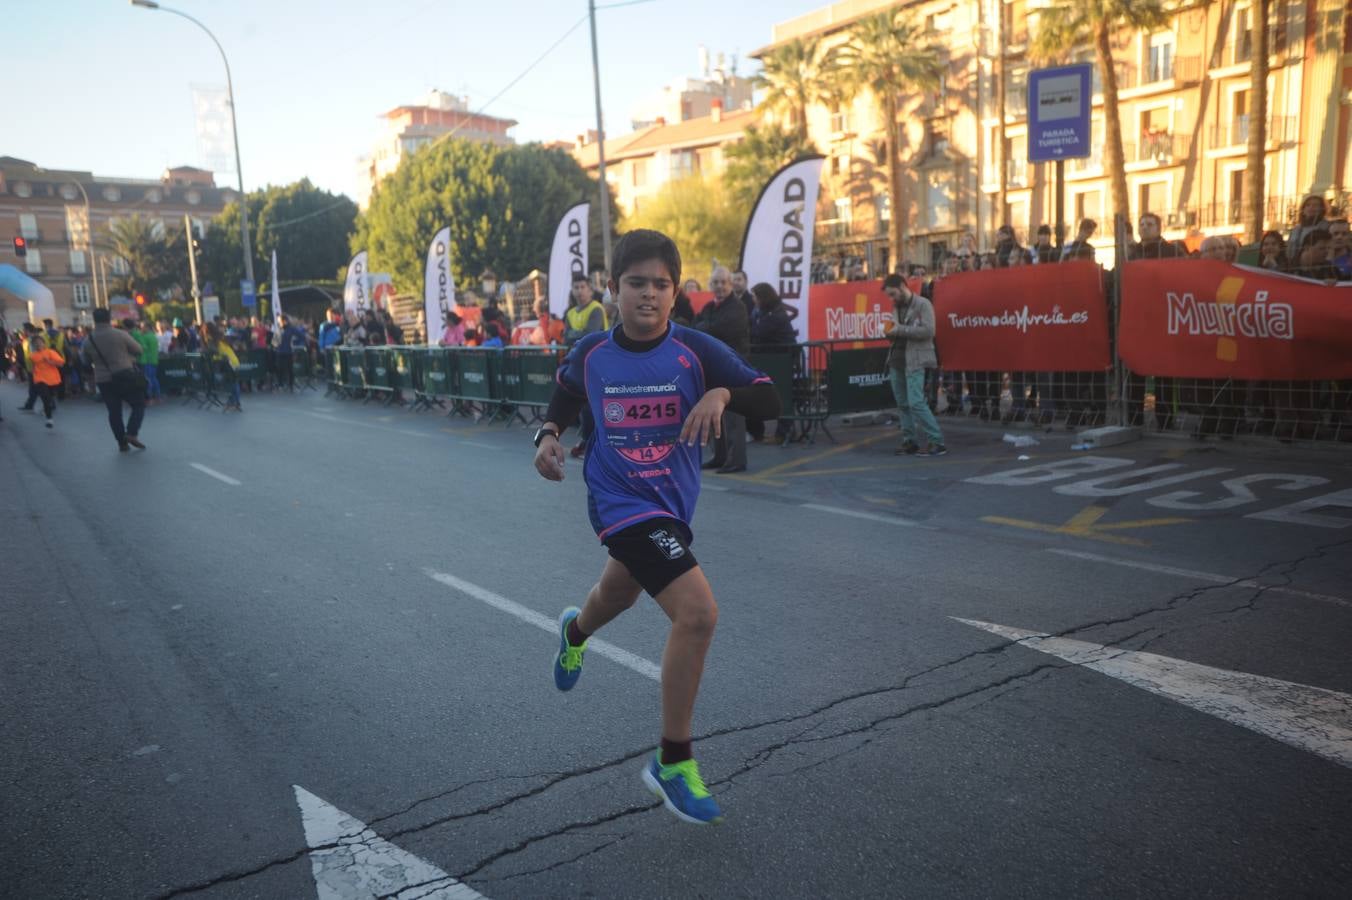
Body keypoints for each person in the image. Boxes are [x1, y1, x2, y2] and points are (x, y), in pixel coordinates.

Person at [532, 228, 779, 825]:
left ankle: (575, 632)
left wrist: (721, 393)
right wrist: (547, 435)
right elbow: (565, 396)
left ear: (676, 293)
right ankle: (673, 760)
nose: (648, 295)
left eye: (661, 285)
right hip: (617, 500)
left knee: (617, 592)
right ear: (614, 289)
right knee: (697, 613)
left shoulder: (697, 349)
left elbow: (771, 400)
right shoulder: (591, 352)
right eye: (635, 283)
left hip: (671, 507)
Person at [694, 266, 751, 473]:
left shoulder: (737, 307)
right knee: (714, 414)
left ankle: (736, 460)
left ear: (730, 284)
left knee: (733, 415)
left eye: (723, 282)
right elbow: (697, 326)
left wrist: (706, 328)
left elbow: (718, 329)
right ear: (710, 285)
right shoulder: (709, 307)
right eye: (715, 283)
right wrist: (706, 328)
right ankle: (719, 456)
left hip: (733, 366)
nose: (719, 286)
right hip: (713, 366)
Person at [884, 273, 946, 456]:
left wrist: (900, 329)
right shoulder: (896, 307)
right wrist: (888, 332)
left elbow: (929, 331)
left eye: (893, 294)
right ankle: (909, 441)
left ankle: (937, 440)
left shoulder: (923, 304)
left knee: (916, 402)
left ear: (903, 287)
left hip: (915, 359)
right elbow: (894, 332)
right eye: (889, 295)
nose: (891, 298)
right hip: (896, 359)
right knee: (902, 403)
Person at [81, 308, 147, 451]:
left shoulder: (88, 339)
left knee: (114, 411)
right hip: (124, 374)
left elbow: (85, 360)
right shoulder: (120, 334)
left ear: (94, 319)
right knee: (138, 404)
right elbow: (138, 350)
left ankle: (121, 443)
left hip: (103, 379)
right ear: (109, 318)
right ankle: (132, 433)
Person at [563, 273, 609, 458]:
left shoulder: (596, 309)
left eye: (583, 287)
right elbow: (566, 337)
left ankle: (594, 442)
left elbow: (590, 334)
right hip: (579, 364)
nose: (580, 291)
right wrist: (578, 334)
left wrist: (578, 335)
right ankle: (589, 440)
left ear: (590, 289)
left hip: (600, 363)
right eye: (576, 287)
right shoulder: (571, 313)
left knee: (594, 406)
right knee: (584, 405)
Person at [203, 323, 242, 411]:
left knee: (230, 382)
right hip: (233, 360)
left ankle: (233, 402)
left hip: (227, 361)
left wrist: (205, 350)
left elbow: (213, 350)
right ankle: (235, 402)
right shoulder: (220, 336)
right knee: (234, 382)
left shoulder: (210, 338)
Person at [27, 334, 64, 428]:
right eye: (35, 343)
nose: (38, 345)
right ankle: (49, 419)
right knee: (45, 398)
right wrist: (32, 371)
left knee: (50, 398)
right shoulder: (32, 356)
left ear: (44, 343)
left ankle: (47, 409)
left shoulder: (50, 352)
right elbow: (33, 367)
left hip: (52, 379)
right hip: (39, 379)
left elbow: (61, 364)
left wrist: (49, 361)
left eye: (39, 342)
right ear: (33, 346)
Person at [1286, 194, 1329, 266]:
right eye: (1308, 205)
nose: (1311, 208)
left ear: (1322, 209)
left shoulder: (1326, 226)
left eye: (1315, 205)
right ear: (1303, 209)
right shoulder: (1296, 229)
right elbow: (1289, 250)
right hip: (1295, 266)